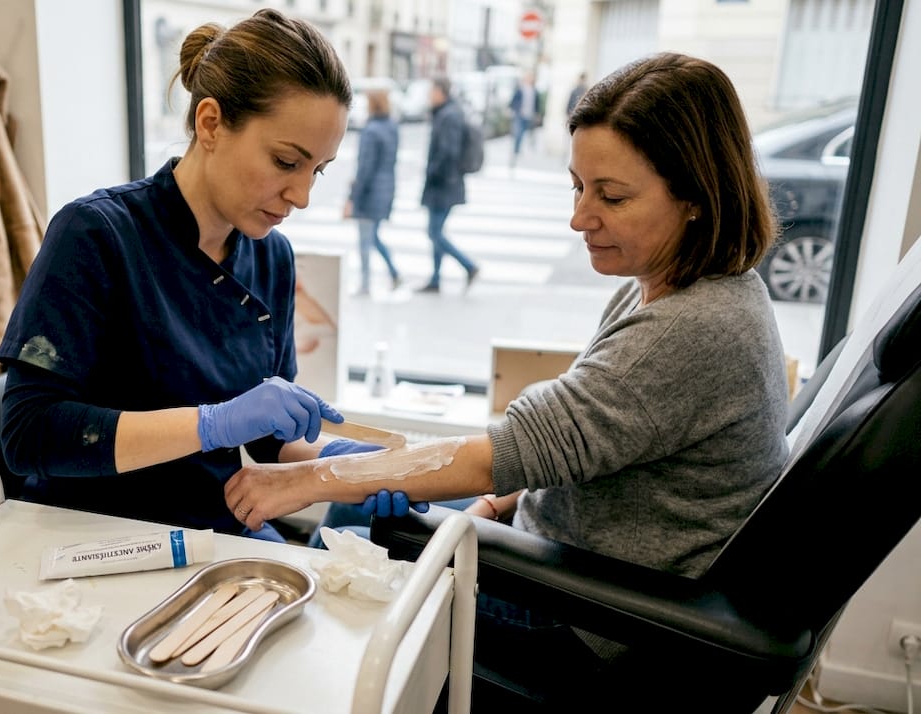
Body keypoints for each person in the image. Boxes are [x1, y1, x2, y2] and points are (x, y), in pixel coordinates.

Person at [224, 52, 790, 703]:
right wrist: (501, 504)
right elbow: (580, 444)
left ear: (696, 195)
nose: (580, 217)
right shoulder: (683, 287)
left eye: (611, 196)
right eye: (578, 187)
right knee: (353, 534)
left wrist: (302, 480)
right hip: (562, 555)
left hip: (587, 622)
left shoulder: (694, 328)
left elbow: (509, 452)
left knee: (337, 568)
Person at [0, 9, 358, 543]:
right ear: (210, 123)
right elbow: (30, 434)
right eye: (286, 162)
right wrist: (210, 423)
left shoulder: (271, 258)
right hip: (90, 535)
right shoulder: (96, 236)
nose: (302, 196)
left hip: (210, 526)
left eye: (317, 171)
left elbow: (265, 442)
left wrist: (345, 468)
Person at [417, 75, 479, 294]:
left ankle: (469, 266)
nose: (428, 96)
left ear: (440, 92)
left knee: (434, 232)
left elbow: (448, 152)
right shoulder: (445, 113)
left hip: (444, 185)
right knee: (435, 231)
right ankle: (435, 278)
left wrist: (433, 172)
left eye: (430, 91)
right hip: (444, 184)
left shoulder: (449, 116)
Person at [345, 88, 401, 295]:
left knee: (365, 241)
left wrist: (353, 197)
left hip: (370, 193)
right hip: (387, 188)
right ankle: (394, 272)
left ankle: (366, 284)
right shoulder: (392, 127)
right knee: (373, 237)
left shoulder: (370, 131)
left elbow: (365, 168)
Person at [508, 70, 541, 168]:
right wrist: (511, 109)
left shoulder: (535, 90)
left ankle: (522, 149)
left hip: (529, 116)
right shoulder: (520, 89)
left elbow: (537, 104)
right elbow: (513, 100)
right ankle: (516, 151)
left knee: (527, 134)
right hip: (520, 115)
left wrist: (537, 114)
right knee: (518, 133)